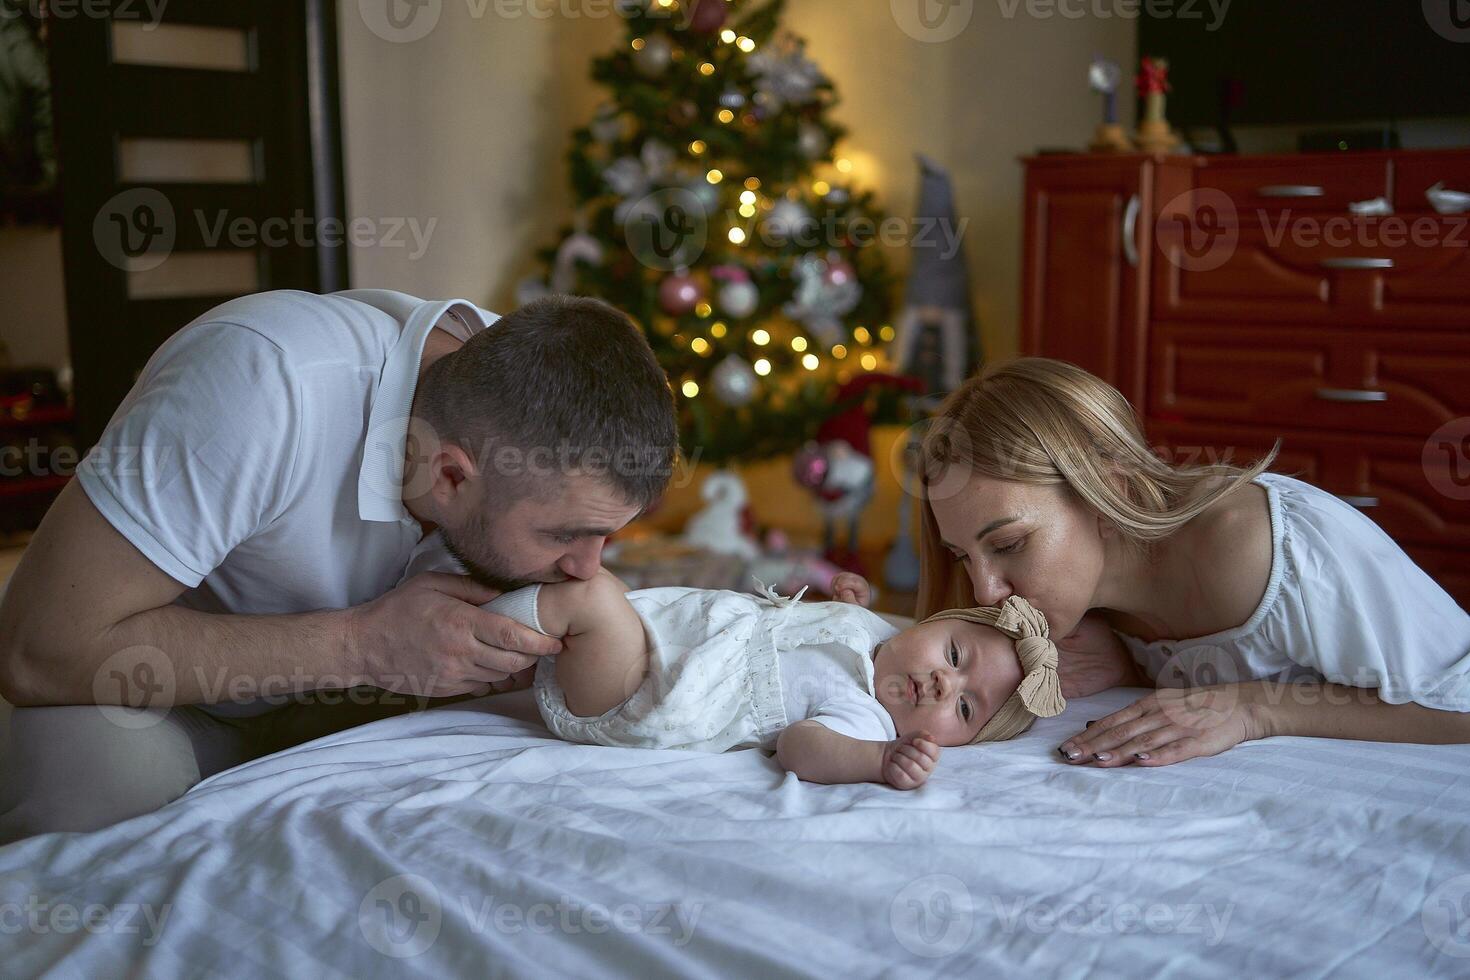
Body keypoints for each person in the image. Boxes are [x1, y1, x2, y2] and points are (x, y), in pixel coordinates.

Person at [0, 291, 678, 842]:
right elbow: (36, 651)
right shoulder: (263, 384)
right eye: (570, 535)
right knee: (92, 780)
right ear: (448, 476)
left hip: (357, 712)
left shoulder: (539, 414)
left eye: (608, 537)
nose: (588, 568)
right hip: (171, 702)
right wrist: (363, 646)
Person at [833, 357, 1470, 768]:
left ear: (1116, 493)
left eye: (1009, 545)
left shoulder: (1261, 548)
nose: (987, 588)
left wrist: (1254, 709)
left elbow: (1460, 704)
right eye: (962, 556)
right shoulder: (1068, 617)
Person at [407, 530, 1069, 790]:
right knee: (583, 598)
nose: (941, 680)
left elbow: (802, 749)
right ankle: (482, 631)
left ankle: (459, 635)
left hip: (646, 696)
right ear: (931, 621)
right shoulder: (880, 634)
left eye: (964, 706)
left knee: (591, 597)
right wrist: (842, 601)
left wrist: (875, 763)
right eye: (954, 653)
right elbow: (819, 622)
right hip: (668, 640)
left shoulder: (867, 722)